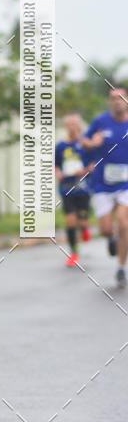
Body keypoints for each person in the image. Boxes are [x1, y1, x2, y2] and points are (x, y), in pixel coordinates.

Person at [82, 87, 128, 288]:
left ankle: (120, 268)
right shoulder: (100, 121)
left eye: (120, 98)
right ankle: (113, 238)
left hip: (125, 183)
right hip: (102, 183)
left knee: (124, 223)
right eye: (113, 99)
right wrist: (92, 143)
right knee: (105, 228)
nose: (117, 101)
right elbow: (83, 141)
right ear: (109, 102)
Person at [55, 114, 91, 267]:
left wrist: (84, 170)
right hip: (66, 189)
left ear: (78, 126)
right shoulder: (60, 146)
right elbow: (56, 165)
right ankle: (74, 253)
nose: (71, 127)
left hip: (83, 188)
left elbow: (93, 164)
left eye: (74, 124)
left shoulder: (84, 144)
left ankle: (84, 228)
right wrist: (59, 173)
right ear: (65, 126)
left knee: (82, 221)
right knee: (70, 221)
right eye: (68, 124)